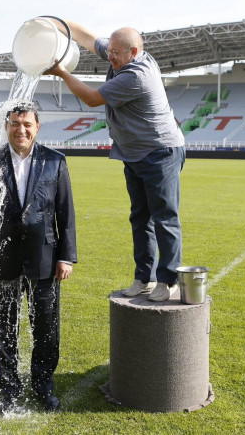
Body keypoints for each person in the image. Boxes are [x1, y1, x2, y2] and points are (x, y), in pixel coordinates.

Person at [46, 22, 185, 302]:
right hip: (134, 153)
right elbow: (86, 38)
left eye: (114, 53)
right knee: (140, 219)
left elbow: (91, 98)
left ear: (133, 52)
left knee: (164, 218)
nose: (109, 57)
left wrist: (61, 72)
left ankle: (168, 280)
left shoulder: (137, 75)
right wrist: (57, 23)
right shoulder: (121, 53)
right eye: (108, 51)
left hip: (159, 152)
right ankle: (144, 278)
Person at [0, 103, 77, 413]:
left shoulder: (55, 161)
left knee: (46, 328)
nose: (21, 129)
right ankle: (8, 389)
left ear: (37, 127)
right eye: (15, 123)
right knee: (3, 328)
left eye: (27, 124)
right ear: (7, 126)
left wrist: (66, 257)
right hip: (0, 258)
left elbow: (65, 213)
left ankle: (43, 386)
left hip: (45, 258)